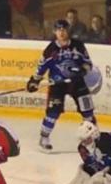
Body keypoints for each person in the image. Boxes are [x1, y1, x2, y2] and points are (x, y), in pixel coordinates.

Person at [26, 19, 97, 152]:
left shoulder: (78, 45)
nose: (62, 32)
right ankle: (44, 138)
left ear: (68, 30)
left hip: (77, 82)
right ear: (55, 32)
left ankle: (92, 139)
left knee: (87, 111)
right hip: (58, 84)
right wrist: (34, 81)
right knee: (53, 112)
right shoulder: (50, 49)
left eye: (64, 29)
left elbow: (88, 63)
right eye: (59, 30)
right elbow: (41, 67)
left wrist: (83, 69)